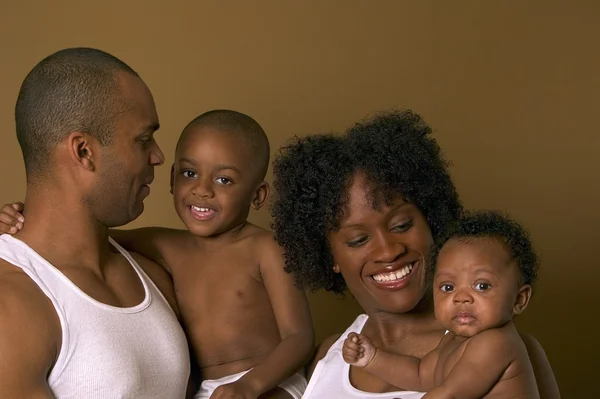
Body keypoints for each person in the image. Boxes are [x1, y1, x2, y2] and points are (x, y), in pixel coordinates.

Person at [0, 110, 314, 399]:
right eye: (190, 174)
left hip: (270, 381)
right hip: (209, 392)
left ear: (258, 195)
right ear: (172, 178)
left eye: (224, 180)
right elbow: (78, 235)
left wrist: (250, 385)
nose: (202, 190)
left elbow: (299, 337)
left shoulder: (266, 248)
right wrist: (23, 218)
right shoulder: (167, 245)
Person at [270, 110, 560, 398]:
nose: (388, 250)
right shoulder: (327, 356)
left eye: (402, 224)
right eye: (358, 240)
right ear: (327, 255)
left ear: (431, 221)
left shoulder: (499, 348)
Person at [0, 48, 190, 398]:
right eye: (143, 139)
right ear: (83, 151)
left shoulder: (154, 274)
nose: (159, 156)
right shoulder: (12, 304)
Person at [343, 211, 540, 398]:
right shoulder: (452, 341)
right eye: (447, 287)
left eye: (481, 286)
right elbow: (419, 375)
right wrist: (372, 358)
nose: (461, 297)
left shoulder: (495, 344)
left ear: (519, 299)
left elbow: (450, 394)